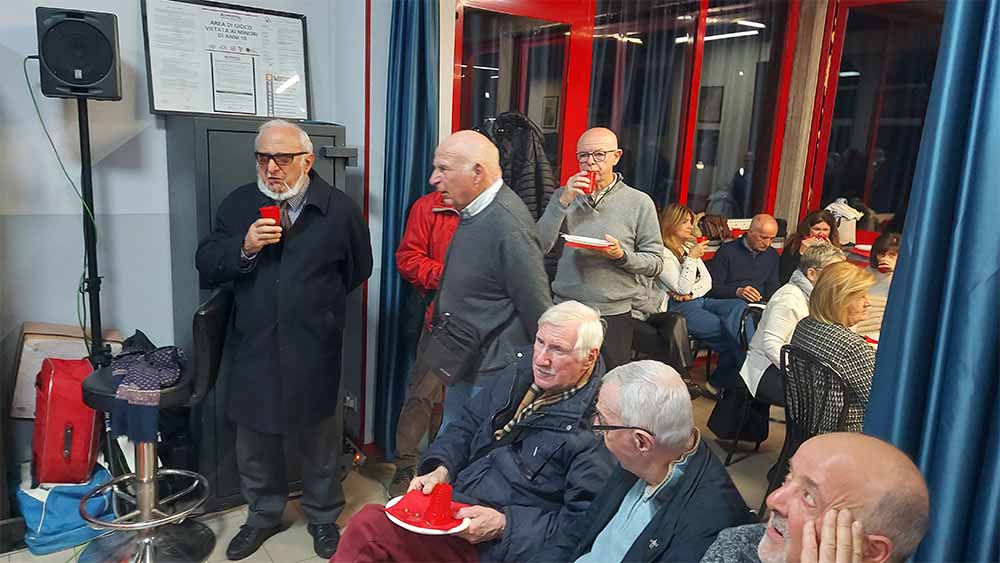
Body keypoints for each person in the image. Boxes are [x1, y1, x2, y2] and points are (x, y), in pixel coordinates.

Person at [195, 119, 373, 560]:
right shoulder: (240, 204)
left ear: (307, 161)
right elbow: (207, 262)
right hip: (254, 341)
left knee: (320, 438)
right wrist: (245, 247)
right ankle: (262, 516)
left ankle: (323, 516)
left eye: (282, 158)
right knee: (255, 440)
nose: (271, 168)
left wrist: (316, 309)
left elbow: (359, 268)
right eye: (263, 158)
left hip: (315, 345)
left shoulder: (339, 210)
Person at [333, 301, 615, 563]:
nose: (541, 359)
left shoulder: (597, 428)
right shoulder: (519, 373)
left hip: (495, 543)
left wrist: (504, 525)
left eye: (557, 350)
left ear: (589, 358)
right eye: (540, 342)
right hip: (458, 508)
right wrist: (441, 468)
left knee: (369, 529)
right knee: (369, 531)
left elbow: (581, 526)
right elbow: (466, 424)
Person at [388, 130, 553, 493]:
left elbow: (537, 308)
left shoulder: (507, 224)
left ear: (477, 172)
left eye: (444, 169)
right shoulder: (472, 210)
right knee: (450, 444)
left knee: (468, 454)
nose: (434, 179)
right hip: (462, 356)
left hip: (490, 369)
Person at [533, 360, 754, 563]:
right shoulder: (640, 460)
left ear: (641, 442)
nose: (596, 428)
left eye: (602, 421)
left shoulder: (707, 531)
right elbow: (580, 530)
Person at [537, 127, 664, 369]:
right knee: (561, 377)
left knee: (609, 381)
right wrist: (562, 202)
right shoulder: (563, 196)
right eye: (583, 156)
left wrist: (621, 255)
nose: (590, 162)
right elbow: (539, 246)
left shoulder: (639, 202)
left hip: (613, 313)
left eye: (599, 154)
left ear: (616, 156)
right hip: (567, 308)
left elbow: (656, 263)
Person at [701, 433, 930, 563]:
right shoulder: (738, 546)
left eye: (809, 497)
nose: (773, 499)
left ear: (870, 550)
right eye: (788, 477)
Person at [390, 190, 460, 496]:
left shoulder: (494, 209)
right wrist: (448, 276)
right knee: (422, 393)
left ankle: (442, 466)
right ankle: (406, 464)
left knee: (461, 400)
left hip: (483, 323)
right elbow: (408, 258)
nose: (439, 178)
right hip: (440, 318)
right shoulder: (428, 207)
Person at [740, 243, 846, 405]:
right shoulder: (789, 299)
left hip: (798, 364)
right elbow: (771, 345)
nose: (840, 278)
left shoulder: (819, 296)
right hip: (768, 369)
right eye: (834, 272)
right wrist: (803, 374)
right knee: (830, 400)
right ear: (812, 273)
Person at [658, 204, 747, 389]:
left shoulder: (687, 247)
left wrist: (692, 293)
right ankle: (726, 381)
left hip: (698, 300)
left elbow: (707, 282)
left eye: (691, 222)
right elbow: (681, 288)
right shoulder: (662, 252)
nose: (691, 226)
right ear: (671, 224)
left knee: (739, 306)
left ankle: (741, 363)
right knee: (731, 334)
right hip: (677, 308)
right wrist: (691, 259)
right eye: (685, 222)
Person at [789, 262, 876, 432]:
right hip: (844, 433)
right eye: (861, 296)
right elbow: (879, 403)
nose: (868, 302)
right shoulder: (852, 347)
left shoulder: (804, 325)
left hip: (805, 424)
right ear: (839, 300)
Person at [708, 214, 780, 304]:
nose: (767, 243)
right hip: (729, 303)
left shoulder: (772, 254)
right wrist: (737, 291)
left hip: (759, 304)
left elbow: (772, 286)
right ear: (750, 232)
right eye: (763, 237)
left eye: (772, 239)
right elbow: (714, 288)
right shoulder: (726, 251)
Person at [853, 232, 900, 340]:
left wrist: (895, 271)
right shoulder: (866, 273)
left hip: (883, 325)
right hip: (862, 323)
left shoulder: (905, 276)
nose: (885, 258)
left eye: (892, 255)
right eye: (882, 255)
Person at [778, 210, 840, 285]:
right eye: (817, 229)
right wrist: (800, 253)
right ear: (808, 230)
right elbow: (784, 277)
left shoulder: (834, 246)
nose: (821, 234)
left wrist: (831, 252)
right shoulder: (794, 245)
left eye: (825, 230)